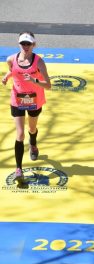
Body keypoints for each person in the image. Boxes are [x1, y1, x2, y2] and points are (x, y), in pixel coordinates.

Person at [1, 31, 51, 184]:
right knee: (20, 134)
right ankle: (18, 169)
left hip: (34, 100)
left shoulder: (39, 62)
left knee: (32, 129)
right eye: (23, 43)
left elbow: (48, 85)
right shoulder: (11, 59)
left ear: (33, 45)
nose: (25, 46)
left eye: (28, 43)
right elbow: (13, 70)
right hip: (18, 100)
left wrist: (34, 80)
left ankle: (33, 144)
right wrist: (7, 77)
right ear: (19, 44)